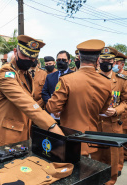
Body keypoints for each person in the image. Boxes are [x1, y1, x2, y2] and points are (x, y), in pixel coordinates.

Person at [0, 35, 64, 149]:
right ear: (15, 51)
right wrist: (51, 125)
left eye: (32, 57)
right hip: (6, 139)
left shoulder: (25, 74)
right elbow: (25, 102)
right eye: (25, 55)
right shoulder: (7, 72)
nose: (28, 59)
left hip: (22, 136)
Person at [46, 39, 112, 157]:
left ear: (79, 59)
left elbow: (52, 107)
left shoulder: (67, 80)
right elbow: (102, 111)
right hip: (90, 139)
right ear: (97, 60)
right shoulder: (107, 83)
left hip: (70, 137)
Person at [90, 47, 127, 185]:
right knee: (96, 157)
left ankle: (110, 182)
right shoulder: (92, 78)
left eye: (110, 60)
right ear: (99, 61)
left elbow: (125, 101)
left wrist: (117, 110)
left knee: (113, 158)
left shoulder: (121, 80)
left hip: (113, 125)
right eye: (104, 60)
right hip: (95, 124)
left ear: (114, 61)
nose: (107, 62)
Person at [42, 51, 73, 124]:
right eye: (59, 60)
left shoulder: (74, 76)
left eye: (64, 60)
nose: (61, 62)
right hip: (53, 116)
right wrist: (53, 107)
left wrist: (62, 109)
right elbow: (44, 93)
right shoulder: (50, 77)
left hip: (69, 115)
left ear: (69, 61)